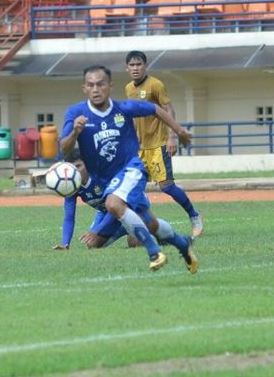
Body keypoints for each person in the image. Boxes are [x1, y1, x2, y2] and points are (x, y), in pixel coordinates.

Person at [60, 65, 197, 272]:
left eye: (100, 84)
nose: (95, 89)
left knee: (113, 204)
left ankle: (154, 252)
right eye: (90, 85)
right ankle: (182, 244)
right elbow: (64, 148)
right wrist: (75, 133)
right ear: (84, 88)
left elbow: (155, 109)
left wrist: (178, 131)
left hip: (132, 170)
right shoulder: (76, 113)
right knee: (151, 224)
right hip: (108, 181)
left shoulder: (123, 109)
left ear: (110, 86)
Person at [124, 51, 204, 237]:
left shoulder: (156, 85)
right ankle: (139, 226)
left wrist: (172, 136)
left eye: (139, 64)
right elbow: (133, 115)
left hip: (158, 143)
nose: (135, 68)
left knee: (167, 186)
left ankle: (194, 216)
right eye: (132, 65)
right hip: (139, 147)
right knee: (134, 187)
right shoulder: (129, 88)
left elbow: (168, 109)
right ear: (126, 68)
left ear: (146, 66)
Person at [54, 148, 182, 251]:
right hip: (107, 213)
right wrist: (65, 244)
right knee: (92, 245)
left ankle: (153, 225)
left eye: (78, 166)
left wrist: (98, 230)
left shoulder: (102, 176)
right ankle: (125, 228)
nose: (75, 171)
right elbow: (69, 217)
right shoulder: (71, 186)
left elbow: (116, 205)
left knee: (135, 244)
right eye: (72, 168)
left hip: (131, 207)